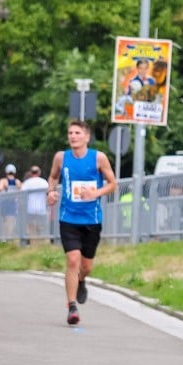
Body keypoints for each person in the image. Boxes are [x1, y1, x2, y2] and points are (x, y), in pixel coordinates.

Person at [46, 120, 118, 325]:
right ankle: (72, 307)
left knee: (86, 266)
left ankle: (81, 280)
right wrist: (51, 191)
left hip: (92, 220)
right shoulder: (61, 157)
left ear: (86, 137)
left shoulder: (98, 158)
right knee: (72, 261)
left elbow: (113, 184)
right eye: (70, 133)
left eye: (77, 133)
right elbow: (52, 177)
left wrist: (96, 192)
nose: (73, 136)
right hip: (68, 218)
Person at [20, 165, 50, 239]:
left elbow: (22, 196)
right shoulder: (44, 182)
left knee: (31, 226)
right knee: (41, 226)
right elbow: (48, 194)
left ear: (31, 173)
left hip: (30, 209)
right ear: (39, 172)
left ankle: (33, 240)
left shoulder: (26, 183)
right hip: (41, 208)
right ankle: (39, 240)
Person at [0, 163, 21, 238]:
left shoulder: (3, 181)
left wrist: (7, 188)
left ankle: (6, 236)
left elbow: (0, 189)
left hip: (6, 203)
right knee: (11, 221)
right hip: (12, 204)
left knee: (5, 221)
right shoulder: (17, 181)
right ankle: (9, 236)